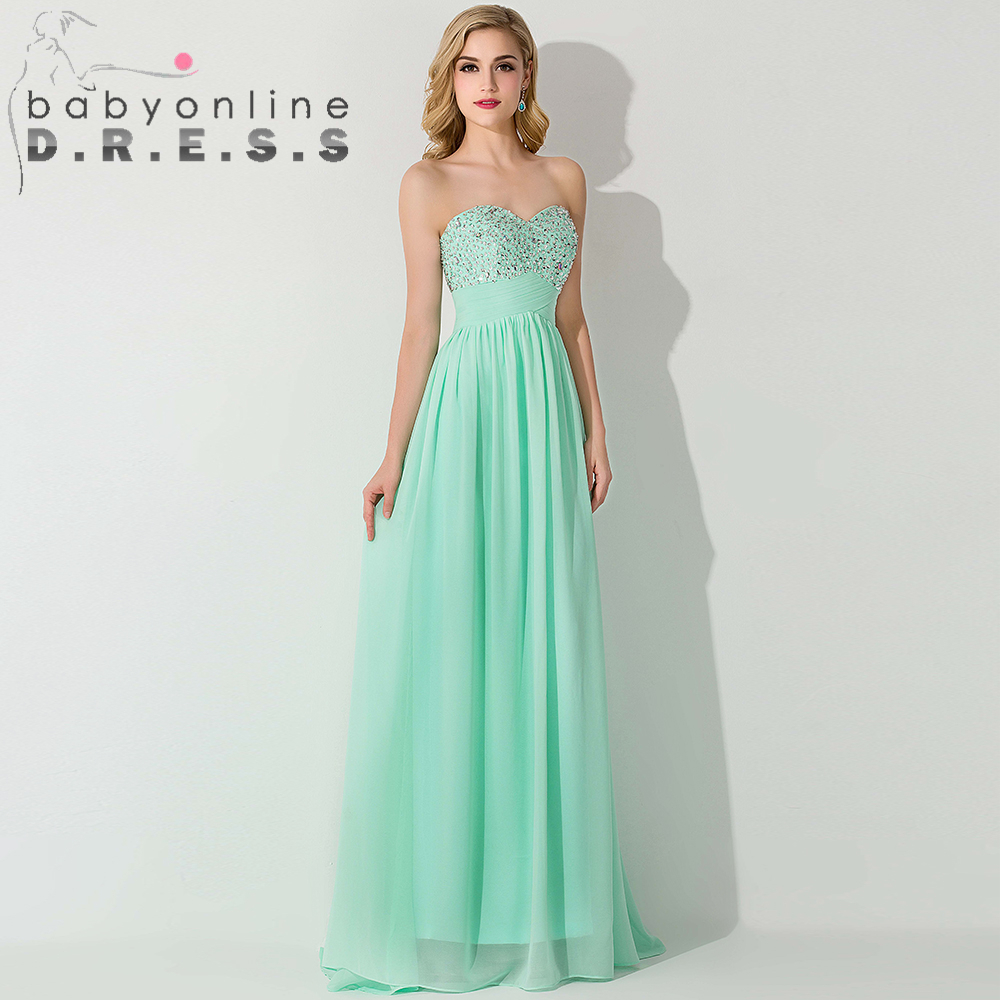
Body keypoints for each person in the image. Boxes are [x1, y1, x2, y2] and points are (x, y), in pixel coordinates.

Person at [319, 5, 665, 992]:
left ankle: (542, 909)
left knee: (544, 636)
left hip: (544, 423)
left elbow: (574, 319)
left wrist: (597, 430)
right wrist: (394, 455)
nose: (485, 83)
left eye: (504, 66)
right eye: (469, 66)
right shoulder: (425, 183)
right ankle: (446, 908)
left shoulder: (565, 180)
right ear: (450, 79)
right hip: (464, 419)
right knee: (458, 639)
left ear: (526, 79)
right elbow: (420, 327)